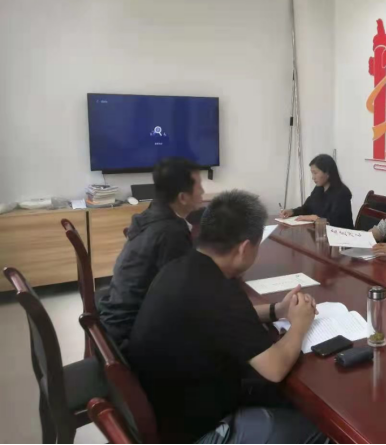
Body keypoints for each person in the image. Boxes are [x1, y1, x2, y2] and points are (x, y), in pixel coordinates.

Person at [127, 191, 324, 444]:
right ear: (244, 248)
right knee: (321, 428)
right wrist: (299, 325)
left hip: (168, 405)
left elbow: (225, 317)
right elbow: (275, 368)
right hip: (193, 431)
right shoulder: (220, 290)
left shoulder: (182, 267)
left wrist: (278, 310)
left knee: (282, 397)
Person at [98, 157, 205, 347]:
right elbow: (182, 295)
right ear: (182, 197)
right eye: (199, 186)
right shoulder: (170, 233)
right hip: (130, 334)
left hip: (116, 315)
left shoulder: (153, 212)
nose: (203, 191)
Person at [280, 154, 354, 229]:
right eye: (312, 173)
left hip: (341, 234)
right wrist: (292, 211)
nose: (313, 177)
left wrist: (315, 218)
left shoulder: (342, 193)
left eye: (315, 173)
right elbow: (307, 208)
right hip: (321, 231)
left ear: (327, 173)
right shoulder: (319, 188)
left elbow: (336, 222)